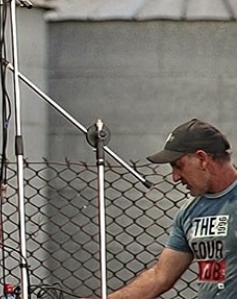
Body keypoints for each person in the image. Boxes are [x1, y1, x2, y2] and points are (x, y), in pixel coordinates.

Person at [100, 118, 237, 299]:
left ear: (202, 159)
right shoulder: (189, 213)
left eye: (178, 166)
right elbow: (160, 277)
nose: (175, 177)